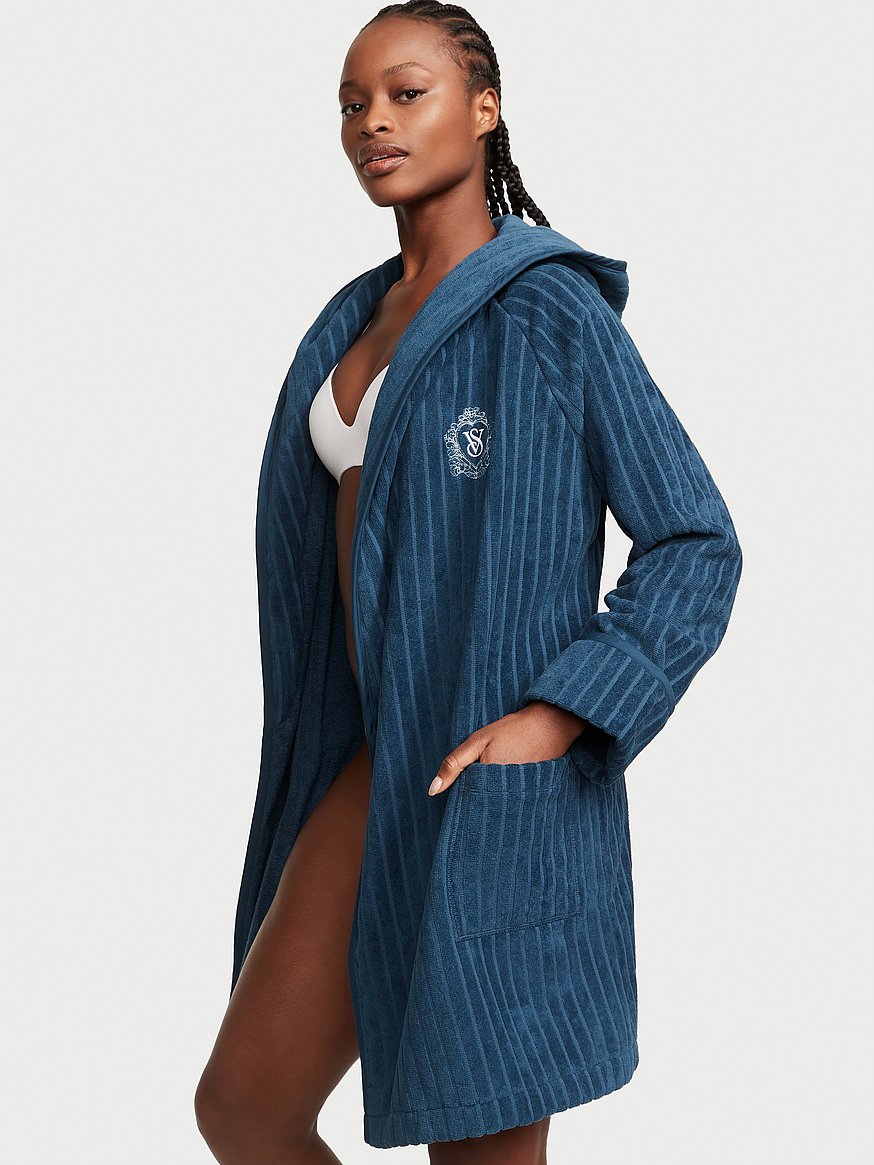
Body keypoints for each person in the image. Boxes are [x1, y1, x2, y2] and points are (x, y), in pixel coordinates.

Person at [195, 3, 743, 1162]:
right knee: (243, 1106)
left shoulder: (545, 308)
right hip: (368, 765)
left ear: (484, 109)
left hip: (492, 783)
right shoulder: (350, 322)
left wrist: (560, 713)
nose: (372, 123)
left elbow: (695, 537)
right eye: (352, 104)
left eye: (407, 93)